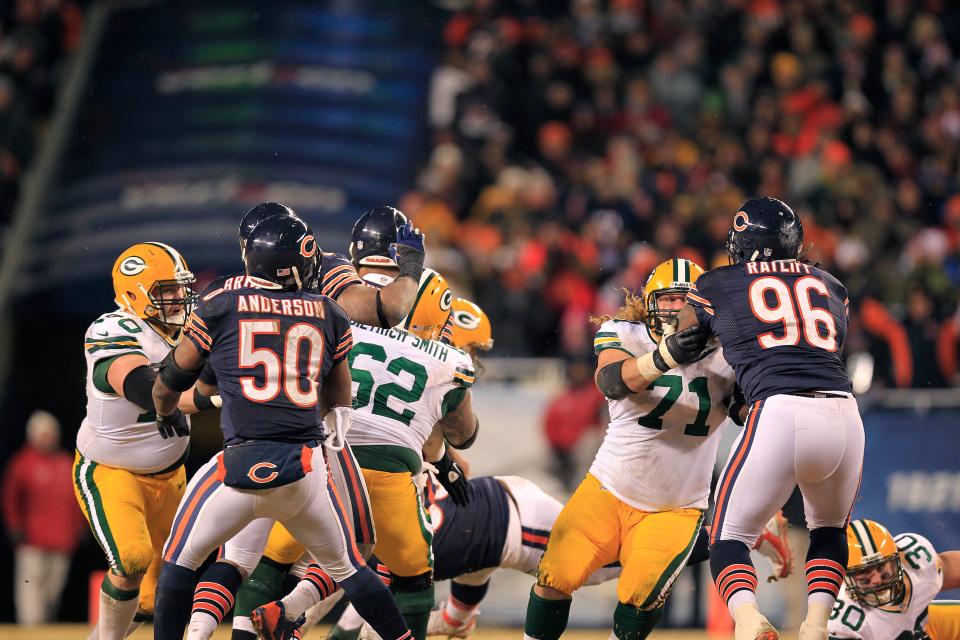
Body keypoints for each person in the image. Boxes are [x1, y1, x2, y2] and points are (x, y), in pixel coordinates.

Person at [150, 213, 413, 640]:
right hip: (304, 469)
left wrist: (167, 410)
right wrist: (330, 421)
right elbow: (338, 396)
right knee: (351, 568)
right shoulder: (328, 312)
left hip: (237, 467)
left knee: (180, 560)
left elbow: (172, 382)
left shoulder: (220, 303)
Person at [233, 267, 478, 640]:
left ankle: (255, 626)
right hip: (388, 477)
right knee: (413, 577)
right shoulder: (449, 362)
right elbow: (464, 435)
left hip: (321, 462)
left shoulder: (344, 323)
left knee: (275, 559)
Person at [674, 197, 865, 640]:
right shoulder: (832, 284)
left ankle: (748, 619)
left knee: (727, 536)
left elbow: (684, 336)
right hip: (843, 414)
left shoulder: (716, 283)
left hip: (779, 410)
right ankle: (816, 625)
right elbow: (818, 348)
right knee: (830, 530)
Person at [523, 258, 741, 640]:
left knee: (640, 598)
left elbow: (749, 412)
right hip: (607, 488)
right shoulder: (624, 332)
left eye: (685, 300)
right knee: (554, 575)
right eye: (668, 299)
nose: (676, 309)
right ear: (650, 302)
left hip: (675, 508)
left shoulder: (731, 353)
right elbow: (611, 381)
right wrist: (665, 357)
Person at [73, 242, 202, 640]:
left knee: (154, 598)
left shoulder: (191, 325)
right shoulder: (113, 328)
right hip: (114, 472)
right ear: (134, 294)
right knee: (130, 561)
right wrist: (214, 396)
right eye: (165, 290)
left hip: (170, 474)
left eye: (180, 288)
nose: (178, 298)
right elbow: (148, 389)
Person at [2, 410, 84, 625]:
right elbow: (11, 498)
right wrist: (14, 526)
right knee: (30, 589)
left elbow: (78, 500)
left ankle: (45, 628)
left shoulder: (67, 464)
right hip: (31, 541)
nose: (47, 438)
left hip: (62, 540)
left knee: (52, 592)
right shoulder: (22, 463)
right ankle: (30, 631)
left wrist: (80, 527)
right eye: (43, 434)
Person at [828, 519, 960, 639]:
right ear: (845, 577)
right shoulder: (844, 620)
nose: (877, 579)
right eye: (864, 572)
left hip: (928, 626)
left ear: (898, 559)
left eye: (880, 567)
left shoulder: (916, 562)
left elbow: (950, 567)